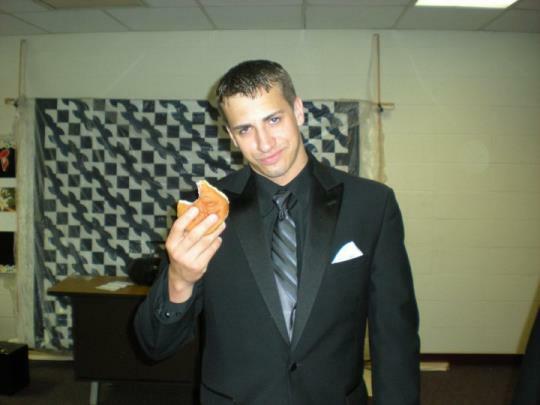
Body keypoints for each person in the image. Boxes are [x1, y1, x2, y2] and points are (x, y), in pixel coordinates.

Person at [134, 60, 420, 405]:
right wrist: (180, 279)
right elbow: (154, 346)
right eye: (245, 129)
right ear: (231, 136)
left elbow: (395, 334)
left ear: (298, 110)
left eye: (273, 119)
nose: (264, 143)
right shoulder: (204, 213)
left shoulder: (370, 205)